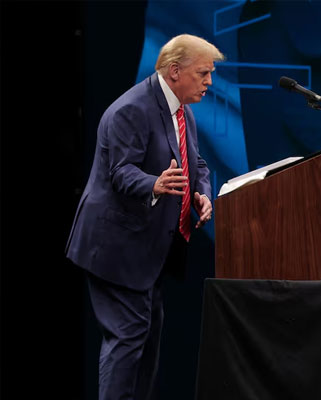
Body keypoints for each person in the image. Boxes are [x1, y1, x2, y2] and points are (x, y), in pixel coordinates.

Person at [66, 34, 224, 400]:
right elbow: (119, 171)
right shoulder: (131, 110)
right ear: (174, 71)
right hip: (115, 247)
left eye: (210, 73)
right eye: (203, 73)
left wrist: (201, 192)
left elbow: (195, 163)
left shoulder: (181, 111)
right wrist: (154, 184)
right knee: (128, 335)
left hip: (149, 249)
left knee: (146, 335)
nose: (209, 81)